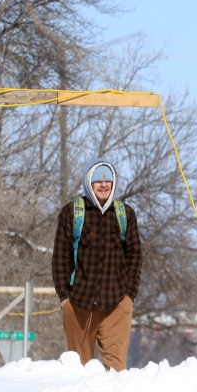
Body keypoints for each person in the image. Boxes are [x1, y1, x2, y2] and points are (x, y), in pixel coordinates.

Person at [52, 158, 142, 371]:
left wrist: (129, 296)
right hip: (79, 303)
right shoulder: (72, 212)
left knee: (117, 371)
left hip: (116, 302)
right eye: (98, 181)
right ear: (88, 182)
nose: (104, 185)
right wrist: (65, 298)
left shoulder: (125, 214)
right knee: (79, 369)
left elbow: (135, 256)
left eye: (108, 181)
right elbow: (60, 257)